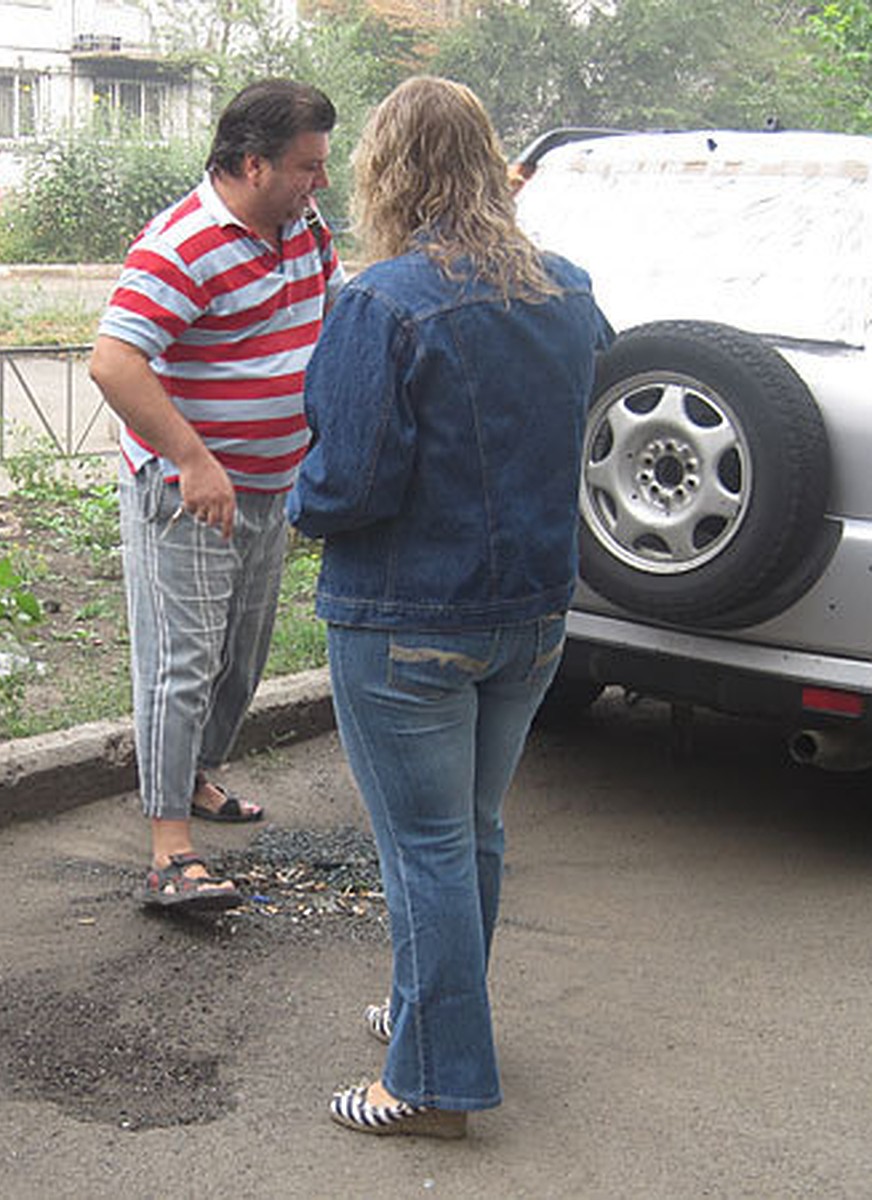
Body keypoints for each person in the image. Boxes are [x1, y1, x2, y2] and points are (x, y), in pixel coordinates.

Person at [288, 76, 614, 1136]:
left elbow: (348, 487)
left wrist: (291, 493)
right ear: (490, 161)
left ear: (386, 171)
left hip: (407, 622)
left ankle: (427, 1084)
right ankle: (437, 1017)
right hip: (532, 618)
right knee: (470, 833)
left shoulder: (379, 301)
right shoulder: (569, 291)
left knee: (424, 846)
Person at [90, 79, 342, 911]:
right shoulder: (182, 244)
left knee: (240, 659)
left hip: (269, 487)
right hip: (186, 491)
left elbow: (327, 324)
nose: (322, 182)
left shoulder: (304, 230)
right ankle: (168, 851)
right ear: (252, 162)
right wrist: (194, 460)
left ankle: (195, 777)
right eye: (309, 166)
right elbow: (115, 362)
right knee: (183, 664)